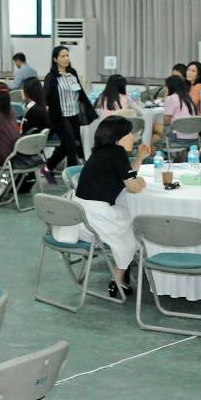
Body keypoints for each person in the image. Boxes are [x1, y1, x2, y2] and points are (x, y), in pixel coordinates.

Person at [56, 116, 150, 296]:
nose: (133, 137)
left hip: (79, 212)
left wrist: (139, 157)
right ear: (118, 137)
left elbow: (126, 174)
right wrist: (142, 182)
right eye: (129, 134)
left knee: (127, 218)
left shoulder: (102, 152)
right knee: (133, 229)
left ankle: (121, 276)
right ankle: (118, 276)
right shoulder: (117, 153)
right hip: (96, 216)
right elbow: (133, 186)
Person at [43, 45, 92, 180]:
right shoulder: (51, 77)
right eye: (62, 56)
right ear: (55, 59)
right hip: (60, 117)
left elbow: (80, 92)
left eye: (67, 55)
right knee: (71, 147)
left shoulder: (73, 73)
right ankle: (73, 179)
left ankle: (48, 167)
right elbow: (46, 98)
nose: (66, 58)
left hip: (74, 115)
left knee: (67, 145)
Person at [156, 75, 199, 149]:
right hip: (194, 137)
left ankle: (156, 154)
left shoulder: (171, 98)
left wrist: (157, 119)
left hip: (179, 137)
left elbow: (166, 121)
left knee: (155, 127)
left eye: (166, 86)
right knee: (157, 134)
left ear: (171, 86)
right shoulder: (187, 98)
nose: (164, 88)